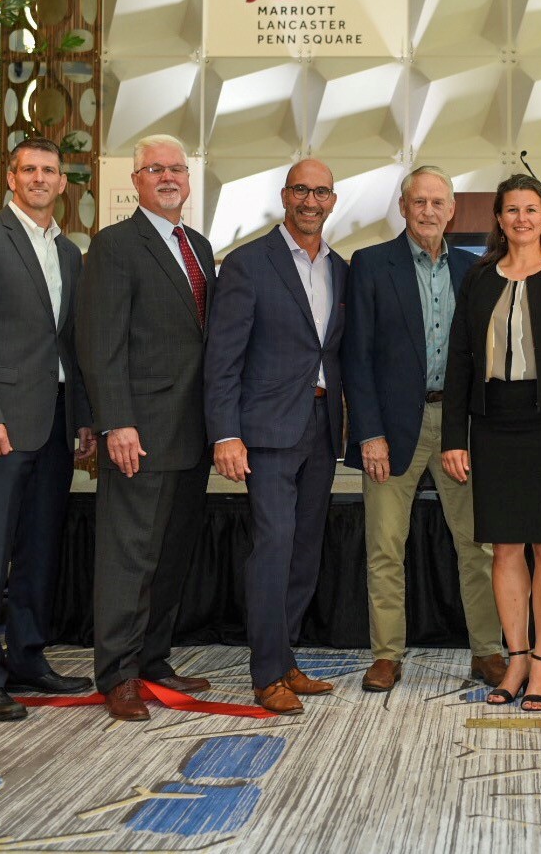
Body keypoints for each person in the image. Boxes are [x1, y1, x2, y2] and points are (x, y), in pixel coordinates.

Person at [0, 136, 96, 721]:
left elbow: (72, 346)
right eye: (28, 169)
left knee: (38, 547)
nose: (38, 178)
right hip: (0, 423)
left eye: (48, 171)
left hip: (55, 422)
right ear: (11, 178)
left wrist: (82, 419)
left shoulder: (71, 253)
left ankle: (28, 658)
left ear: (62, 184)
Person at [343, 166, 505, 693]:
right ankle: (387, 655)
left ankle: (487, 652)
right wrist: (369, 433)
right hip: (391, 430)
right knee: (385, 548)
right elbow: (356, 357)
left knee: (477, 546)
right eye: (420, 202)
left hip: (459, 427)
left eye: (439, 202)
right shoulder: (370, 264)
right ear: (404, 206)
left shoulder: (476, 269)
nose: (430, 211)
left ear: (452, 209)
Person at [440, 174, 541, 712]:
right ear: (499, 219)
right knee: (505, 547)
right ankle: (516, 659)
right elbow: (459, 360)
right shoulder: (479, 277)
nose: (522, 219)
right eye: (512, 210)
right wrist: (453, 438)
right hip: (492, 427)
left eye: (532, 209)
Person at [76, 134, 214, 722]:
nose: (167, 177)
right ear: (134, 181)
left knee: (171, 554)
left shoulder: (200, 246)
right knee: (128, 556)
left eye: (176, 169)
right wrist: (116, 423)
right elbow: (99, 344)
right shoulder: (114, 246)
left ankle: (154, 658)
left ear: (188, 179)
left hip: (192, 431)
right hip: (140, 431)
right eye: (154, 169)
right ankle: (118, 674)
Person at [204, 159, 347, 715]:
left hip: (320, 426)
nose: (311, 200)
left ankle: (286, 660)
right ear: (285, 196)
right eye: (301, 190)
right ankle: (266, 673)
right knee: (274, 545)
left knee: (305, 549)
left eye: (321, 192)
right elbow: (223, 360)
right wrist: (225, 433)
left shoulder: (341, 267)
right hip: (264, 432)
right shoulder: (246, 264)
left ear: (332, 201)